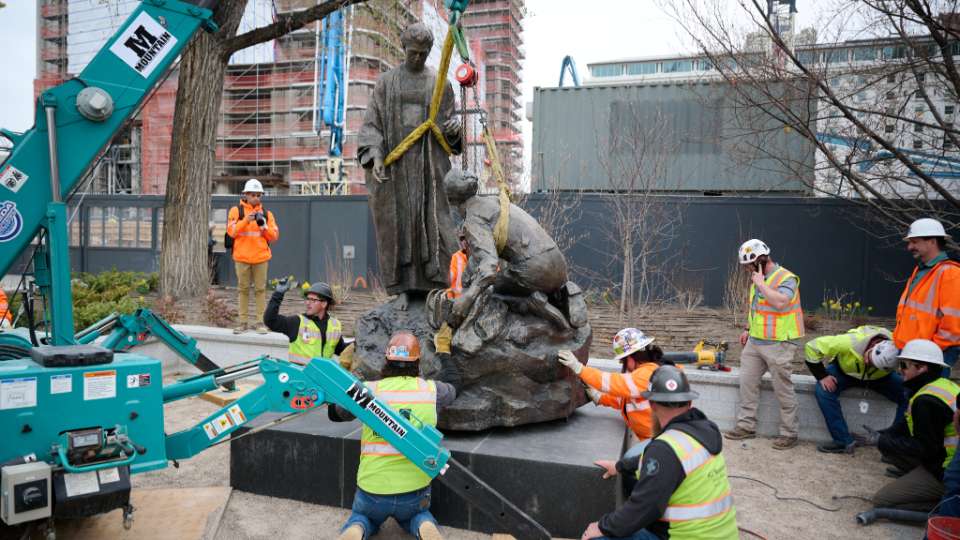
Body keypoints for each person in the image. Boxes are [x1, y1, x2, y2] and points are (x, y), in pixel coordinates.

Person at [357, 22, 462, 310]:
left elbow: (449, 128)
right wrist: (376, 156)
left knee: (433, 223)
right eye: (413, 52)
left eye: (424, 53)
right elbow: (371, 124)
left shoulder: (440, 84)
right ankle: (400, 287)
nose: (418, 58)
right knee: (397, 224)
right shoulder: (386, 83)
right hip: (397, 165)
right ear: (404, 49)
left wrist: (453, 128)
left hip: (429, 166)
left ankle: (434, 285)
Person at [579, 365, 739, 540]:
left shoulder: (665, 449)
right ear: (689, 402)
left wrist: (602, 527)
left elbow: (643, 508)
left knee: (599, 538)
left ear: (652, 404)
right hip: (722, 535)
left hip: (685, 536)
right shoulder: (702, 432)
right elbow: (659, 462)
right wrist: (619, 466)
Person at [332, 331, 462, 540]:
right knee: (418, 514)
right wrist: (444, 351)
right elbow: (455, 385)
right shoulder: (432, 390)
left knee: (363, 517)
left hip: (373, 489)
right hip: (414, 490)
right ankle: (424, 525)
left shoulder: (367, 391)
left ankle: (356, 529)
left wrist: (343, 372)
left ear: (387, 360)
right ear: (417, 362)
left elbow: (335, 413)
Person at [444, 168, 570, 330]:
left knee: (488, 290)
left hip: (536, 270)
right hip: (558, 265)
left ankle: (532, 305)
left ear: (452, 201)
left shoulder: (473, 220)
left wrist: (467, 298)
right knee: (487, 281)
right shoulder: (494, 201)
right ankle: (557, 298)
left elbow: (489, 267)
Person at [724, 238, 802, 450]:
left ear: (760, 260)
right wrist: (748, 329)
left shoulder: (786, 278)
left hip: (780, 343)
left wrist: (761, 283)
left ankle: (789, 433)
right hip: (755, 342)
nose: (746, 270)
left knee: (783, 389)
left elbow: (780, 303)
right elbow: (757, 309)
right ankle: (746, 426)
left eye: (748, 265)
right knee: (747, 384)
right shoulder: (758, 278)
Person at [873, 339, 959, 512]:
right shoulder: (941, 386)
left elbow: (924, 448)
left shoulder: (925, 402)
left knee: (882, 499)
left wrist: (881, 441)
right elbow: (906, 425)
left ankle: (944, 503)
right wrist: (883, 435)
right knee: (890, 443)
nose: (900, 370)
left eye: (904, 365)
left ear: (921, 368)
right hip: (950, 460)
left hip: (947, 471)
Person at [557, 328, 668, 462]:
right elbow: (627, 398)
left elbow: (614, 383)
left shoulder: (648, 375)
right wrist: (601, 398)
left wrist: (579, 368)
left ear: (631, 357)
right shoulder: (647, 373)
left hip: (660, 444)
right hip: (654, 440)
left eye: (622, 360)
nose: (622, 364)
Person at [804, 326, 905, 453]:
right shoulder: (848, 342)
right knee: (823, 391)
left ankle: (892, 445)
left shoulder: (901, 346)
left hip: (881, 378)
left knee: (909, 395)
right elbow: (811, 347)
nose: (867, 363)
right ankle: (843, 441)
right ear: (872, 347)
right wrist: (822, 376)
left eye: (874, 365)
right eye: (869, 359)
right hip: (844, 372)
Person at [893, 218, 960, 377]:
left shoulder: (950, 273)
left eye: (914, 242)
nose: (910, 247)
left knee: (927, 399)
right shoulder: (921, 270)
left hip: (930, 356)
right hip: (914, 352)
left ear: (932, 241)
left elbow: (953, 326)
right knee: (912, 399)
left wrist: (928, 355)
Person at [226, 178, 279, 334]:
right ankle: (242, 323)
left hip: (260, 258)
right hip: (242, 258)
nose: (256, 197)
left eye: (259, 195)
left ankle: (260, 323)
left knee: (260, 291)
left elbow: (274, 237)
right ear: (246, 195)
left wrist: (263, 226)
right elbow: (232, 232)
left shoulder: (267, 214)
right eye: (253, 194)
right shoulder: (236, 211)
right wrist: (245, 220)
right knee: (243, 290)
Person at [264, 279, 347, 365]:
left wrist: (357, 344)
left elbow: (341, 349)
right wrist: (278, 294)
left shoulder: (334, 325)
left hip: (322, 377)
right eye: (307, 299)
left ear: (324, 304)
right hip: (300, 376)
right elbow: (270, 320)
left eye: (313, 300)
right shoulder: (297, 322)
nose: (307, 303)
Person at [447, 229, 468, 300]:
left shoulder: (480, 256)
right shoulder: (456, 256)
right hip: (458, 298)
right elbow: (451, 278)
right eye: (462, 239)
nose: (464, 242)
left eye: (466, 238)